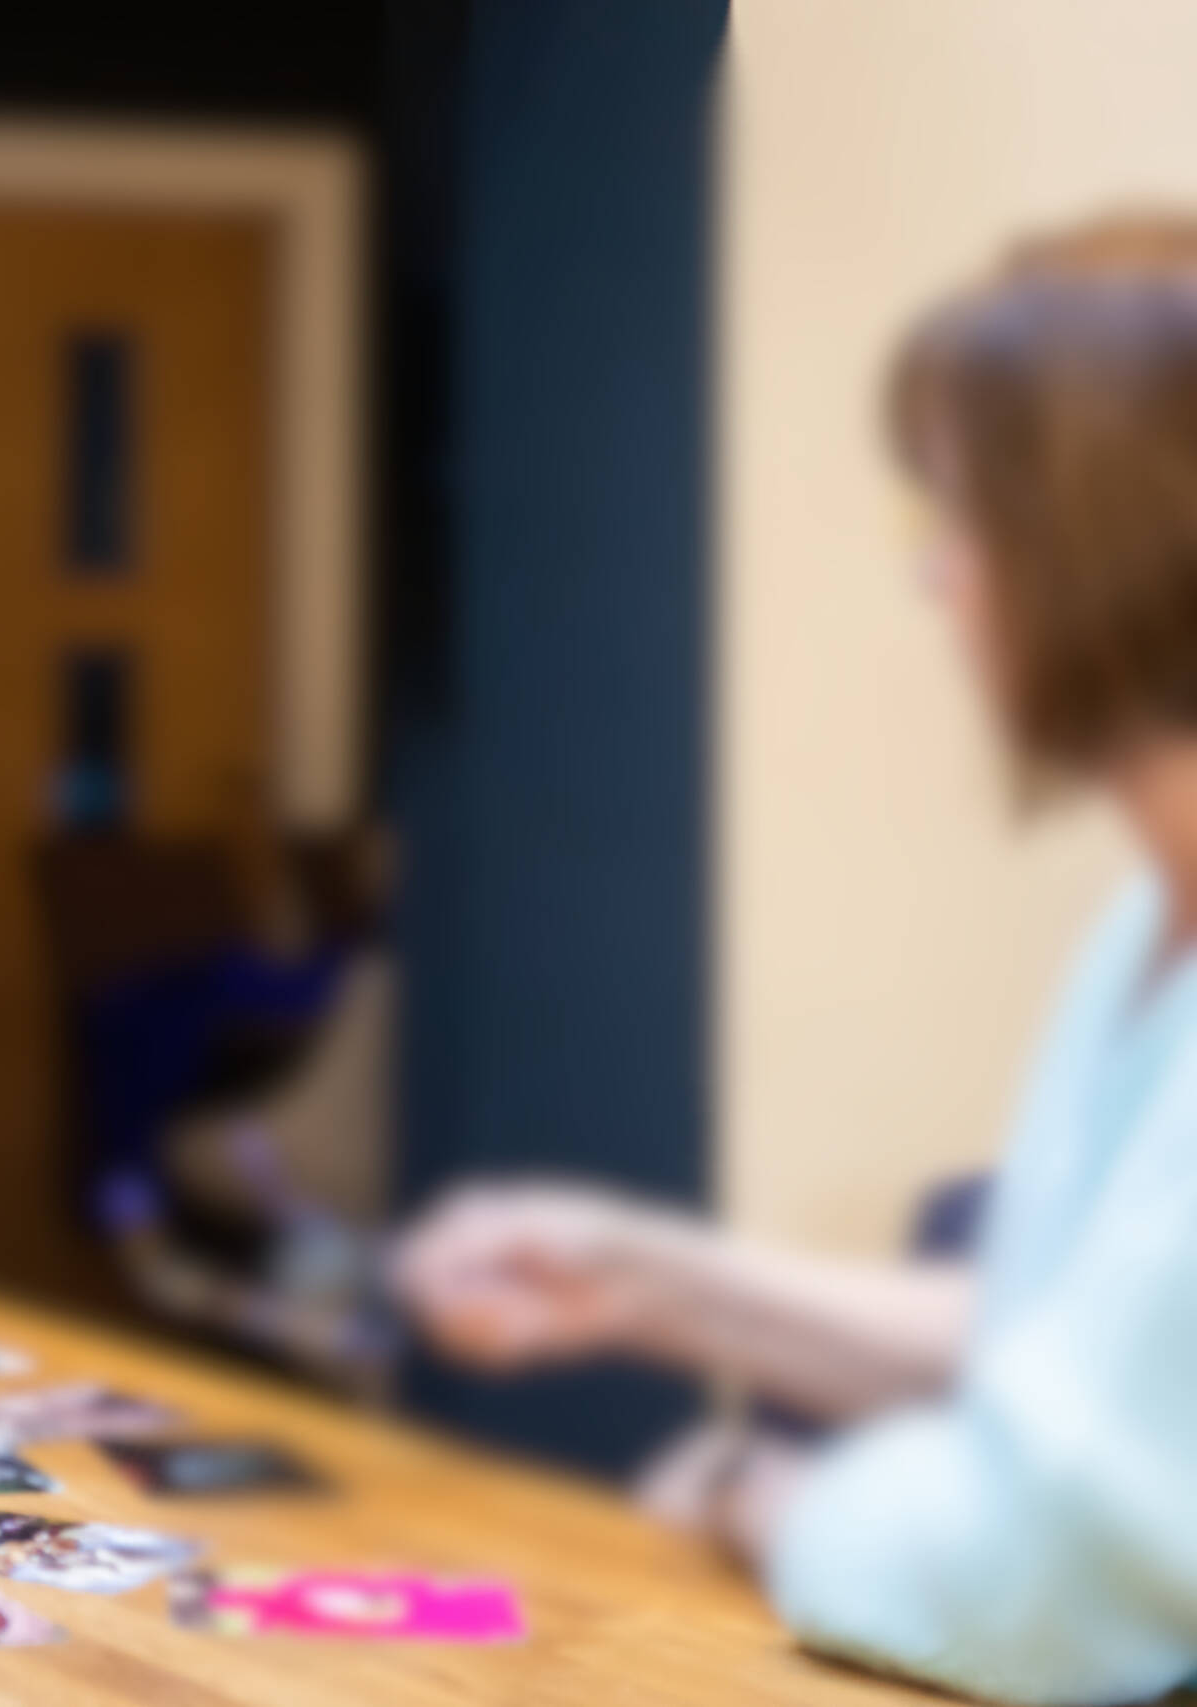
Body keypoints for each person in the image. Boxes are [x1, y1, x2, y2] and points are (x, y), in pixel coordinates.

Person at [392, 217, 1197, 1706]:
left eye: (955, 521)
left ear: (1096, 543)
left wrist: (762, 1501)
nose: (936, 582)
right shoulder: (1141, 931)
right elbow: (1058, 1330)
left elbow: (1058, 1592)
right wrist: (641, 1275)